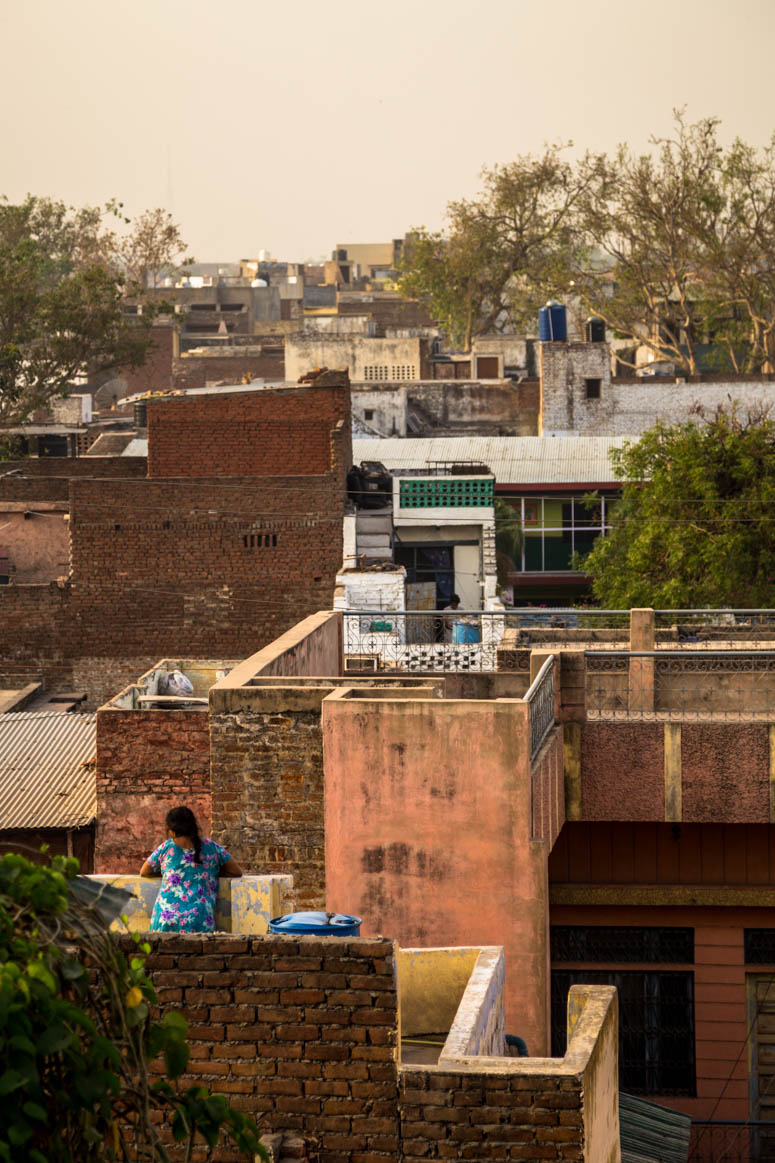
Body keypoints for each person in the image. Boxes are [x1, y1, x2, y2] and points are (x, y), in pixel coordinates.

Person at [139, 806, 242, 933]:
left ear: (171, 831)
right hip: (199, 918)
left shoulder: (166, 848)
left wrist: (167, 872)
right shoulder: (211, 847)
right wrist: (211, 871)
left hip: (165, 918)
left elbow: (144, 871)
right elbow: (236, 871)